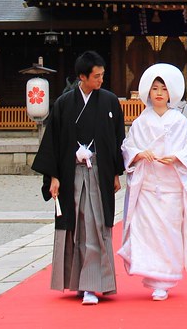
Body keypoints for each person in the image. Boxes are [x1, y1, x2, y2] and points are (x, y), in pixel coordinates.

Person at [31, 51, 125, 306]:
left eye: (103, 75)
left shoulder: (109, 102)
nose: (101, 80)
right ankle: (78, 283)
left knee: (95, 226)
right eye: (96, 76)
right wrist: (53, 177)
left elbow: (116, 139)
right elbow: (53, 142)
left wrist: (116, 172)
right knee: (76, 228)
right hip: (71, 172)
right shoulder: (63, 104)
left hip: (97, 172)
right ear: (82, 77)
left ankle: (93, 285)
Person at [118, 63, 187, 301]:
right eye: (154, 88)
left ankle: (165, 280)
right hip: (147, 188)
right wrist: (138, 153)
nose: (158, 93)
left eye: (163, 89)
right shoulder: (141, 122)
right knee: (147, 233)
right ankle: (154, 278)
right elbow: (127, 146)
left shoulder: (178, 120)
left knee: (168, 234)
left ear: (170, 93)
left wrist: (177, 157)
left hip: (171, 187)